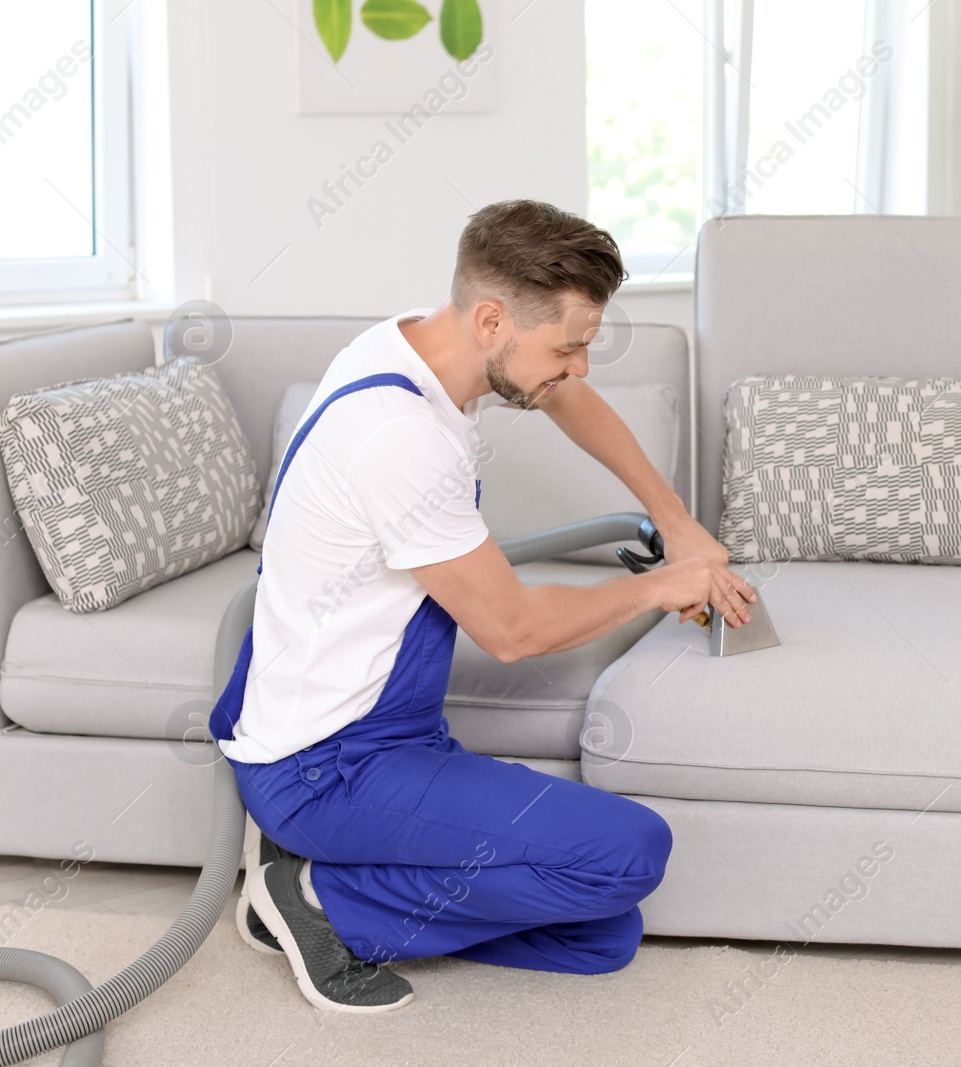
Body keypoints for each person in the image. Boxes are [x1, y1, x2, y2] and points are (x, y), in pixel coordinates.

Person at [207, 199, 757, 1014]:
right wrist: (659, 585)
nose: (581, 367)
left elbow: (563, 395)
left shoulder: (423, 341)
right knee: (630, 854)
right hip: (326, 766)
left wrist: (678, 524)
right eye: (569, 346)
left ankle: (355, 884)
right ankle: (314, 897)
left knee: (602, 934)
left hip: (392, 736)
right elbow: (512, 630)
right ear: (494, 318)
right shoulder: (397, 433)